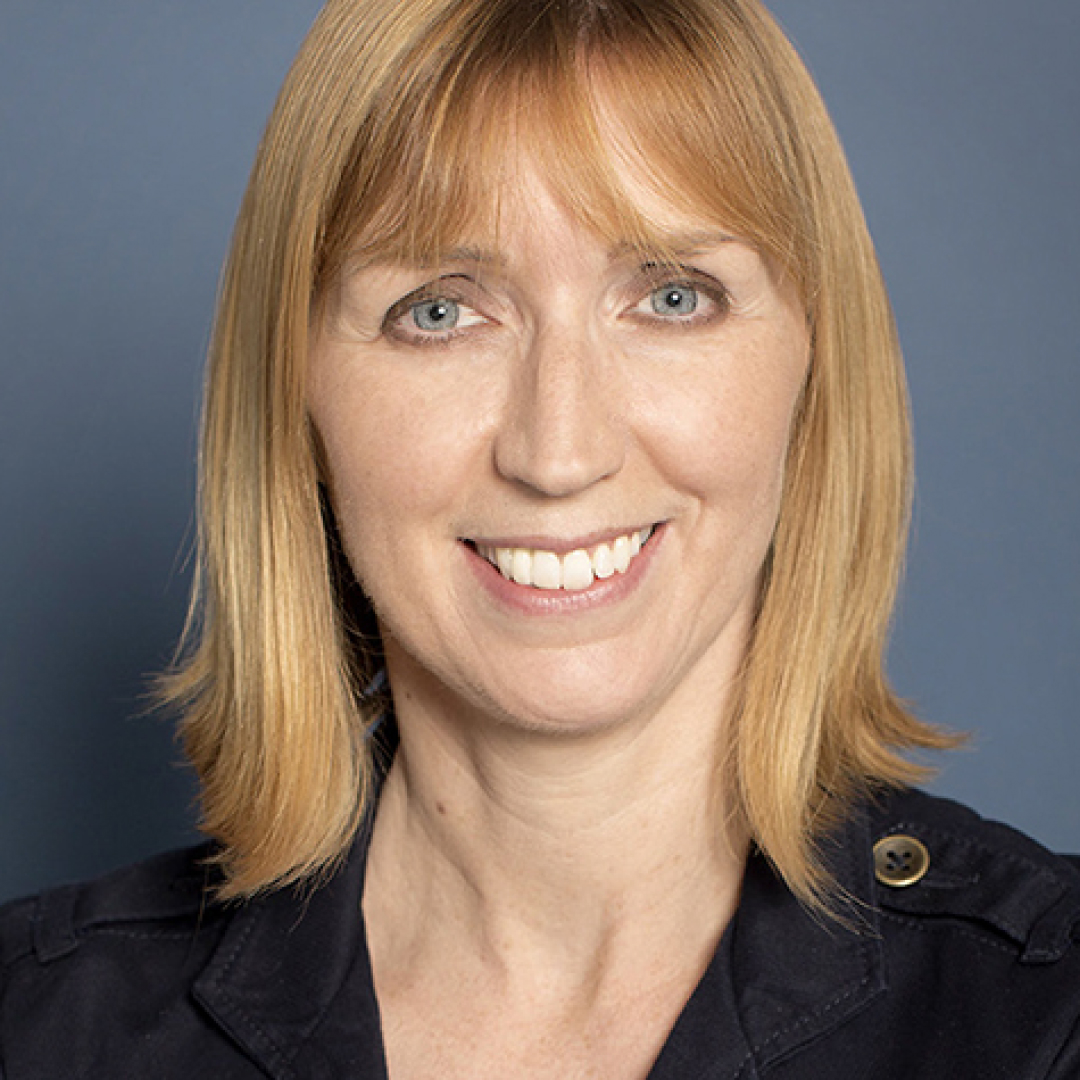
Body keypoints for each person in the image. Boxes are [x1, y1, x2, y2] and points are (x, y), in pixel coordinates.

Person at [2, 0, 1078, 1076]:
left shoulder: (1044, 1019)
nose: (558, 452)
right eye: (439, 311)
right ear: (300, 403)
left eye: (669, 296)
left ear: (813, 369)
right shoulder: (37, 1027)